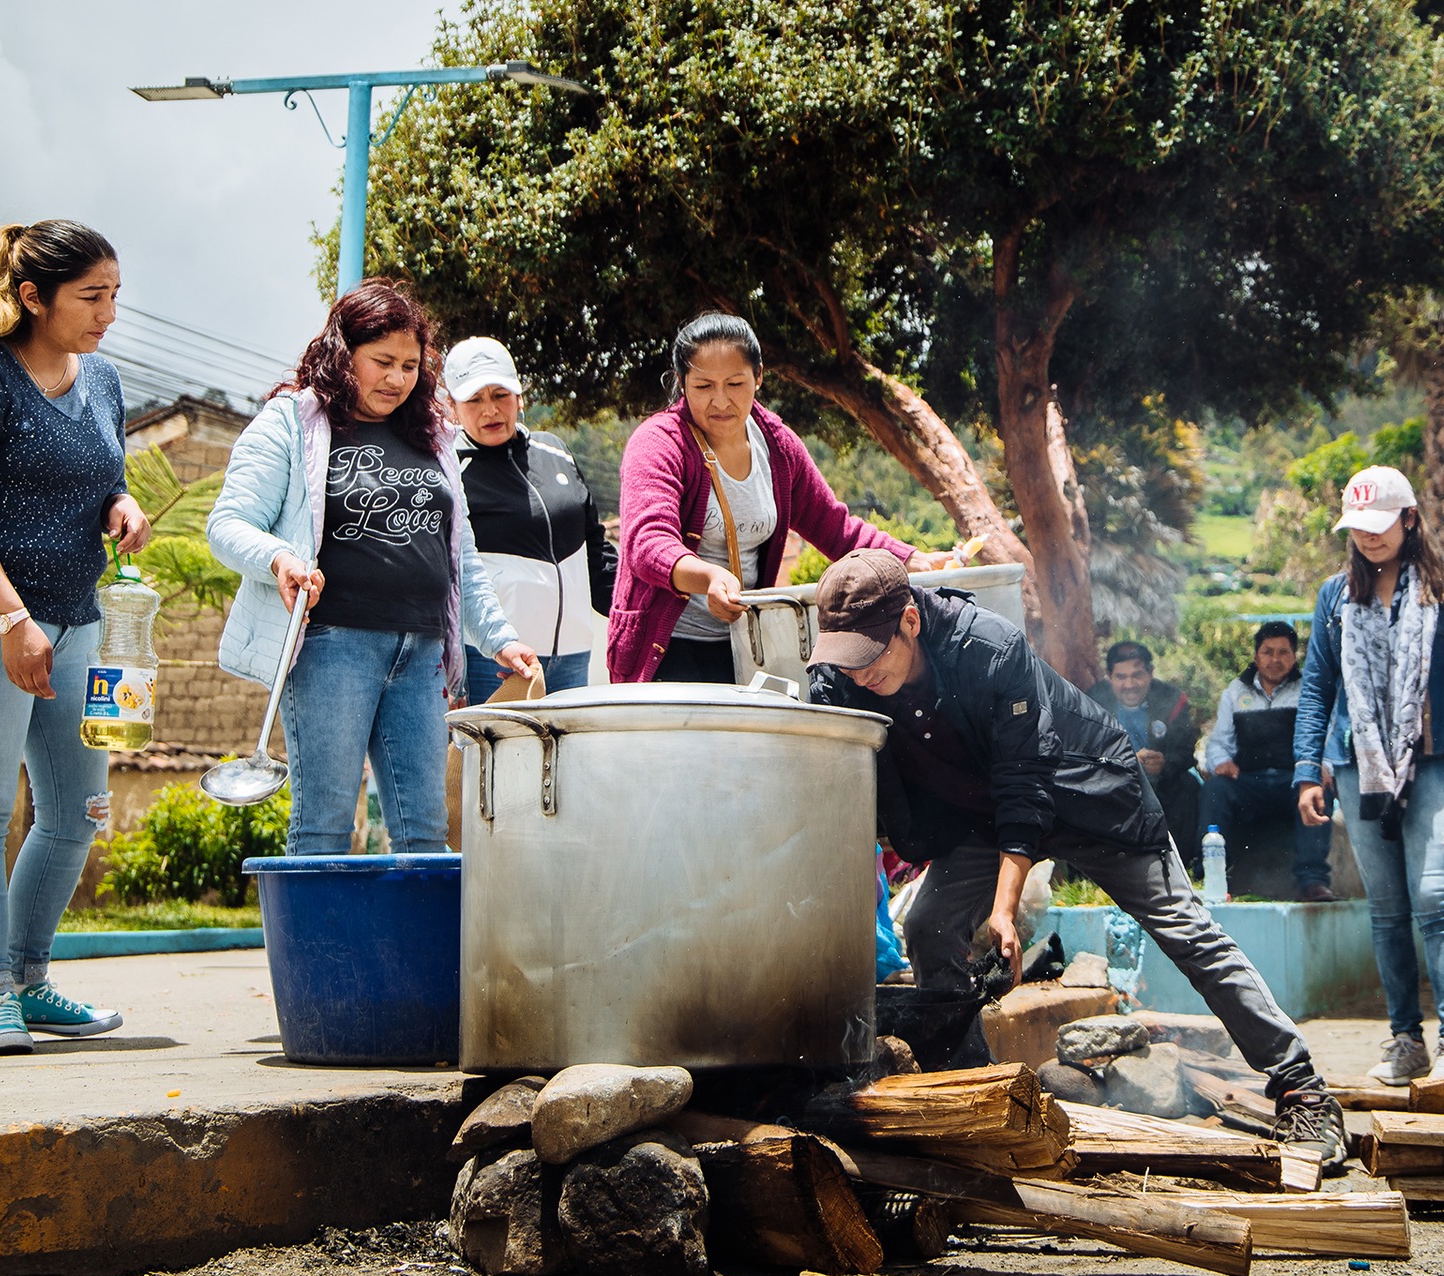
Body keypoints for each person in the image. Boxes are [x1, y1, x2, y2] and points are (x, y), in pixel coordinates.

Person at [806, 549, 1349, 1165]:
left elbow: (1025, 784)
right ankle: (972, 1093)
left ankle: (1303, 1089)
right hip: (982, 816)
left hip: (1087, 796)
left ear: (909, 622)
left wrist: (1004, 911)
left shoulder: (989, 648)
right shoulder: (845, 672)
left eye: (869, 657)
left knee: (1187, 931)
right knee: (928, 926)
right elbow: (836, 768)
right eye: (846, 659)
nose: (860, 673)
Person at [208, 280, 536, 855]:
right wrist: (280, 557)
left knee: (425, 834)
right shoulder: (291, 421)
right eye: (382, 362)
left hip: (424, 655)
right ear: (343, 353)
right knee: (325, 826)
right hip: (333, 647)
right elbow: (228, 525)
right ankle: (317, 951)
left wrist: (499, 639)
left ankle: (411, 950)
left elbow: (460, 557)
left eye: (410, 365)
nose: (396, 379)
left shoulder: (432, 434)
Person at [0, 219, 149, 1055]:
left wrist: (119, 506)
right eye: (92, 297)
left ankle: (29, 978)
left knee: (78, 812)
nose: (108, 314)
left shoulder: (103, 379)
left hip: (86, 621)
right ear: (33, 297)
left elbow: (106, 475)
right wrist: (11, 620)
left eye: (115, 296)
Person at [1293, 466, 1444, 1084]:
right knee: (1385, 908)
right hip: (1357, 765)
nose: (1368, 538)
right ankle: (1405, 1040)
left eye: (1379, 525)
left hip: (1436, 758)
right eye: (1357, 528)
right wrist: (1309, 771)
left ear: (1410, 519)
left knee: (1435, 895)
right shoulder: (1335, 596)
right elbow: (1316, 688)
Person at [607, 313, 954, 684]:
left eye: (735, 383)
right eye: (703, 386)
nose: (720, 401)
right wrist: (708, 577)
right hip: (666, 653)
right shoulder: (658, 443)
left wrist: (911, 559)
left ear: (758, 376)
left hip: (748, 643)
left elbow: (834, 527)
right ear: (681, 382)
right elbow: (647, 543)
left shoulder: (777, 446)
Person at [443, 337, 616, 702]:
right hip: (492, 660)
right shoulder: (447, 468)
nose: (490, 410)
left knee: (564, 759)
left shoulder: (554, 449)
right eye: (474, 399)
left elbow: (595, 547)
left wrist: (632, 610)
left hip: (571, 655)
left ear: (520, 397)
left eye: (500, 394)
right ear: (451, 406)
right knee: (493, 760)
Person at [1200, 622, 1335, 899]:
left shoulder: (1308, 690)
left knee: (1321, 794)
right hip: (1250, 782)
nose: (1275, 660)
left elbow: (1328, 737)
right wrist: (1221, 762)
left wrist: (1325, 768)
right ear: (1256, 656)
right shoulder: (1236, 692)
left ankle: (1313, 881)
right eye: (1268, 652)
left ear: (1294, 656)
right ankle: (1212, 879)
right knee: (1215, 790)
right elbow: (1218, 743)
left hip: (1293, 781)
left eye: (1283, 652)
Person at [1086, 641, 1201, 867]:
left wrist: (1165, 763)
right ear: (1109, 677)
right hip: (1114, 781)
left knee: (1189, 786)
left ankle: (1184, 866)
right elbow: (1085, 750)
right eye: (1121, 677)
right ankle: (1096, 872)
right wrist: (1126, 762)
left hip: (1161, 783)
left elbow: (1186, 750)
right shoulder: (1093, 701)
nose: (1129, 684)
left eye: (1137, 675)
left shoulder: (1172, 698)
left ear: (1150, 673)